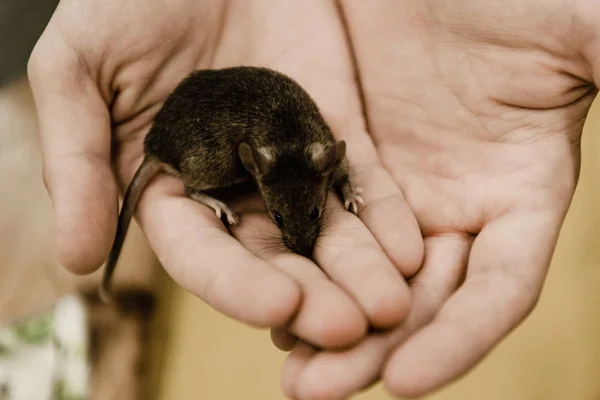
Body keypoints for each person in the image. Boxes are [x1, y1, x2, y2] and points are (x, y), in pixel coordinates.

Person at [27, 0, 600, 398]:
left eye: (304, 215)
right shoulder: (265, 160)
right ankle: (201, 192)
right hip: (190, 132)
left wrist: (347, 189)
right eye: (283, 217)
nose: (298, 234)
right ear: (256, 174)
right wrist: (212, 195)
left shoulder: (321, 152)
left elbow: (338, 165)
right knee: (202, 169)